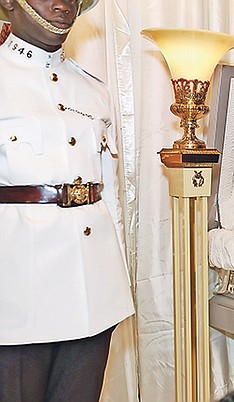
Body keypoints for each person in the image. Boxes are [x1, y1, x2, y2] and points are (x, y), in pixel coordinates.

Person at [0, 1, 135, 401]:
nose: (63, 5)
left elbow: (108, 192)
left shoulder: (94, 90)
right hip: (19, 293)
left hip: (93, 289)